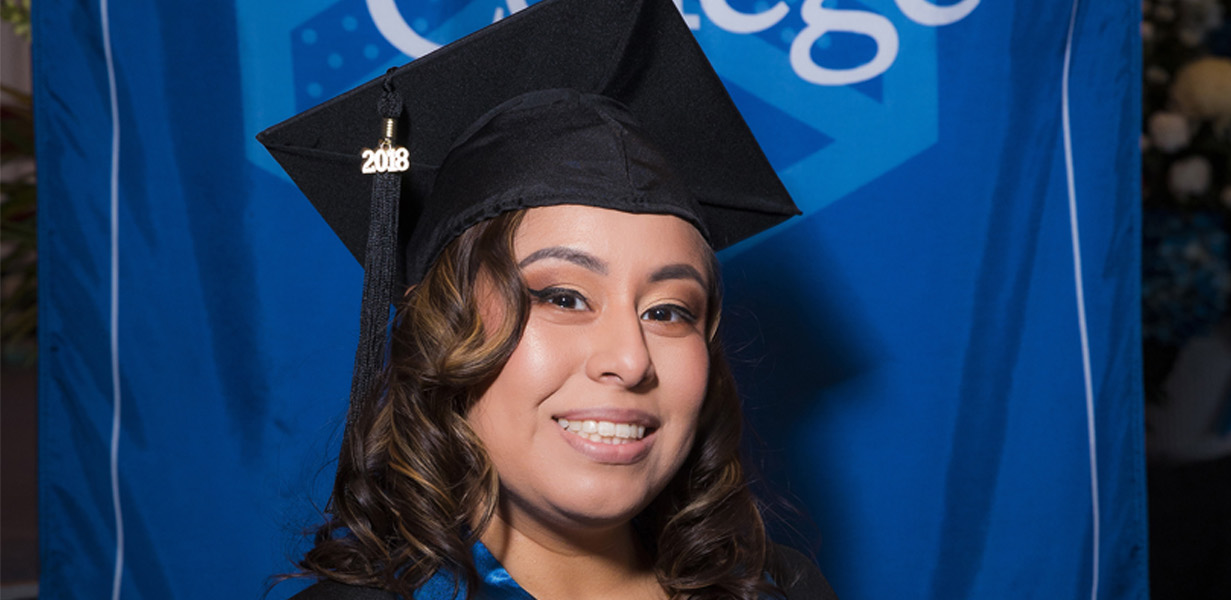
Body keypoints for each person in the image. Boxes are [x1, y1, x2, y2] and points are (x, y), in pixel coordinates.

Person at [258, 0, 836, 598]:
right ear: (440, 333)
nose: (630, 360)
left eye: (667, 311)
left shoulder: (779, 588)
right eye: (563, 297)